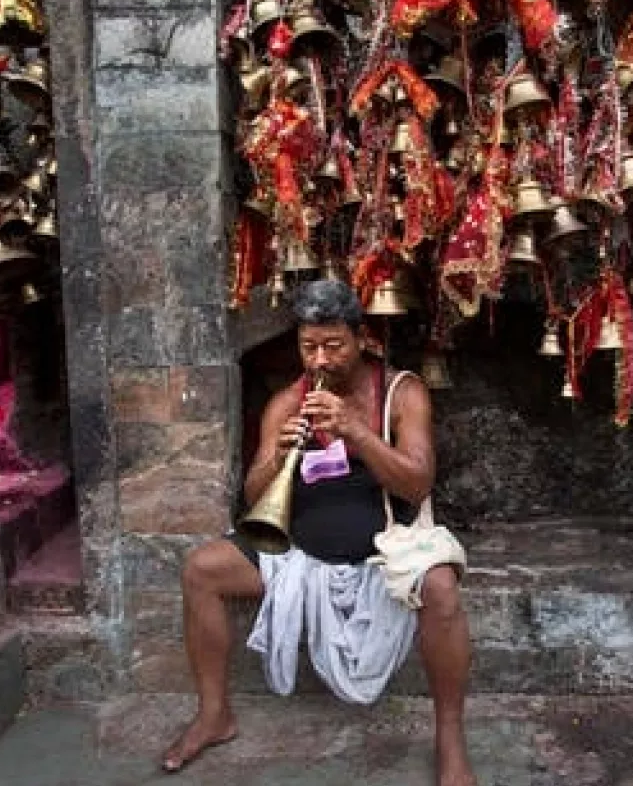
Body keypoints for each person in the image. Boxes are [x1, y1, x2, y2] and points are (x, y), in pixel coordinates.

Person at [161, 280, 476, 786]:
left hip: (386, 552)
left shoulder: (401, 391)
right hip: (300, 554)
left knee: (441, 587)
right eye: (309, 347)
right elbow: (254, 493)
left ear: (359, 338)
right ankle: (214, 715)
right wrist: (282, 456)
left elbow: (417, 483)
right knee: (201, 570)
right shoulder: (289, 401)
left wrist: (356, 431)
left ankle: (450, 740)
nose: (320, 360)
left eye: (334, 345)